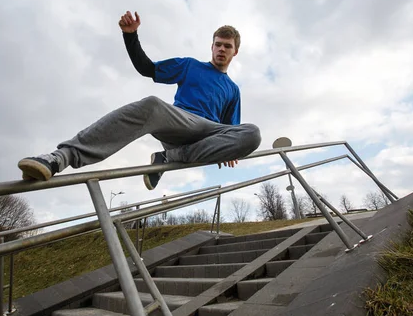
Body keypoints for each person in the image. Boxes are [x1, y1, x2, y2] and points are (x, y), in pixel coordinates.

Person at [18, 11, 262, 190]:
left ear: (235, 52)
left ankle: (170, 158)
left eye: (227, 46)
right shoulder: (190, 65)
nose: (221, 49)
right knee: (152, 104)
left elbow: (231, 130)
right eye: (218, 45)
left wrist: (232, 148)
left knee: (252, 133)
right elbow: (147, 68)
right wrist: (131, 36)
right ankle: (60, 158)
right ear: (211, 46)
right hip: (181, 123)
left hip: (207, 134)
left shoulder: (233, 90)